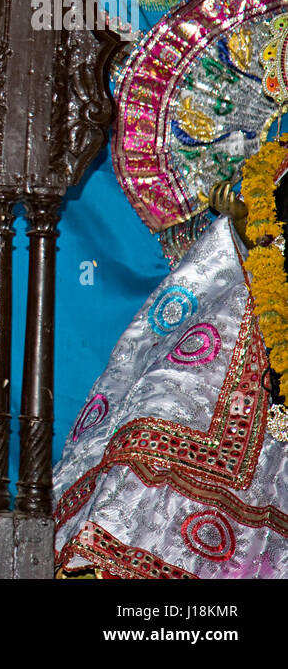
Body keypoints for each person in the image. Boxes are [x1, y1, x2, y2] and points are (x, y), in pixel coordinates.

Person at [54, 144, 288, 577]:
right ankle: (103, 555)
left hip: (271, 372)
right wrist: (241, 225)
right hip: (228, 331)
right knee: (153, 414)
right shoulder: (277, 161)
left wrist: (252, 229)